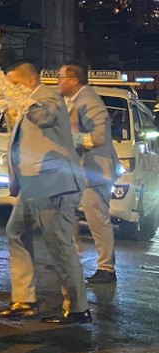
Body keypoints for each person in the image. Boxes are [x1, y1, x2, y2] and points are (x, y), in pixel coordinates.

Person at [0, 61, 91, 324]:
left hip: (53, 184)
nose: (9, 90)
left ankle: (79, 309)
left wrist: (18, 100)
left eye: (13, 84)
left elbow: (43, 117)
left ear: (29, 82)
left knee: (59, 245)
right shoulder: (25, 103)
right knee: (15, 231)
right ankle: (24, 301)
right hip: (34, 184)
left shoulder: (46, 96)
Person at [57, 65, 120, 284]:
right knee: (69, 212)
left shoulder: (88, 100)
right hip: (82, 170)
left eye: (61, 78)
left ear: (73, 80)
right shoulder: (76, 100)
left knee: (97, 218)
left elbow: (98, 136)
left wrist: (68, 141)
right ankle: (74, 256)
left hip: (95, 170)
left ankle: (106, 267)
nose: (58, 82)